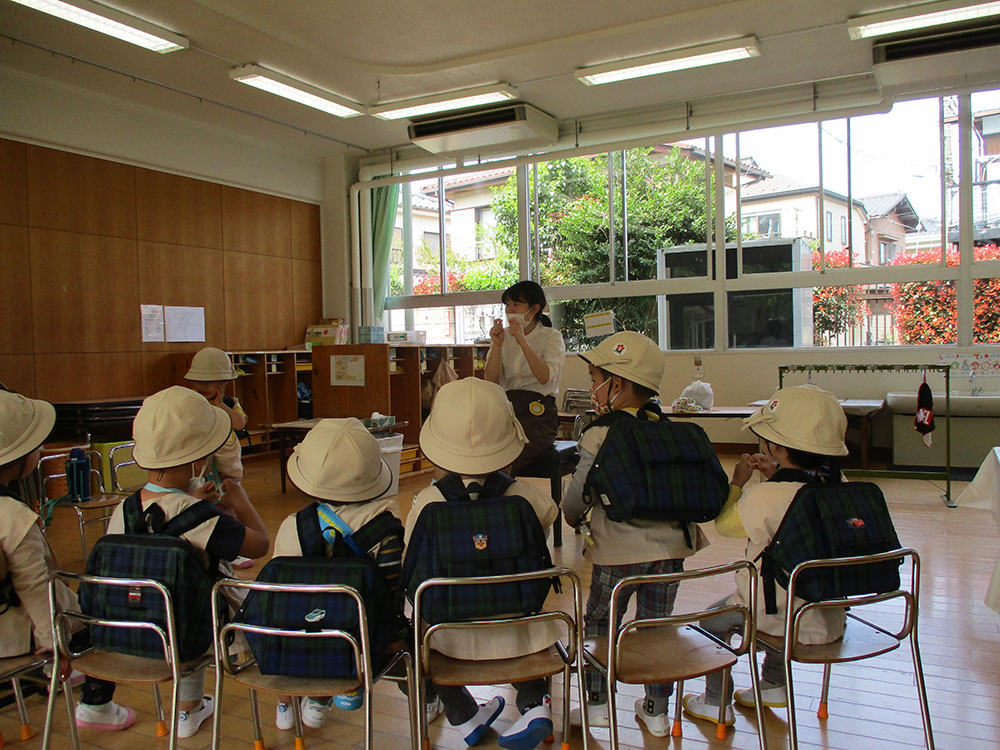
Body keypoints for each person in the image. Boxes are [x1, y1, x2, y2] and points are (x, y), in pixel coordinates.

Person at [562, 331, 709, 737]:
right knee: (656, 629)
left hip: (616, 553)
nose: (592, 389)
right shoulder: (668, 428)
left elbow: (577, 494)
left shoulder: (599, 432)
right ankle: (656, 710)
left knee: (599, 623)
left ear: (619, 384)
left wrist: (571, 517)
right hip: (671, 550)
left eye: (596, 379)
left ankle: (595, 706)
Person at [104, 386, 269, 739]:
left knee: (182, 598)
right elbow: (258, 545)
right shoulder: (201, 517)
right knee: (201, 599)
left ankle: (189, 709)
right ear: (199, 461)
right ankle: (189, 710)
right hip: (191, 632)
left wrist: (194, 500)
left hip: (132, 626)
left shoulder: (123, 509)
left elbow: (158, 532)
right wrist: (238, 499)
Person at [404, 378, 559, 750]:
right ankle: (536, 705)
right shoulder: (523, 495)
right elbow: (549, 516)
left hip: (445, 636)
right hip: (519, 628)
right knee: (525, 633)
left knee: (414, 635)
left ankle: (464, 715)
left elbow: (411, 548)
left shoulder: (428, 502)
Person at [682, 384, 849, 726]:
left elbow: (726, 526)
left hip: (780, 620)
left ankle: (715, 702)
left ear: (775, 445)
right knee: (783, 587)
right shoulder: (842, 484)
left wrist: (738, 483)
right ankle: (774, 684)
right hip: (828, 616)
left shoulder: (767, 496)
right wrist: (774, 478)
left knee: (713, 619)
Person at [0, 390, 135, 732]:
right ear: (15, 457)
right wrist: (54, 647)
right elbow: (35, 587)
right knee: (101, 617)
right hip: (14, 635)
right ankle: (97, 705)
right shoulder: (12, 517)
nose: (42, 449)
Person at [269, 418, 412, 730]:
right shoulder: (386, 528)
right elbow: (394, 591)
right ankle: (358, 684)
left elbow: (278, 590)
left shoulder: (293, 526)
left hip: (304, 637)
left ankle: (294, 703)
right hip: (366, 640)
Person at [484, 281, 565, 475]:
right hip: (506, 406)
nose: (510, 310)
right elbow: (490, 381)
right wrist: (496, 345)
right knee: (481, 447)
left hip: (538, 411)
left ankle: (495, 493)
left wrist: (522, 341)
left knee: (510, 453)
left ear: (534, 309)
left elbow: (544, 377)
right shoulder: (502, 336)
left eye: (516, 305)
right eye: (507, 305)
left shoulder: (551, 337)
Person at [184, 347, 255, 569]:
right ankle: (212, 547)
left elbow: (240, 423)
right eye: (200, 384)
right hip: (205, 464)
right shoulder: (192, 406)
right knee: (208, 505)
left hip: (231, 466)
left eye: (211, 384)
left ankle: (233, 549)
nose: (204, 389)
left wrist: (219, 405)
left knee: (231, 503)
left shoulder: (230, 403)